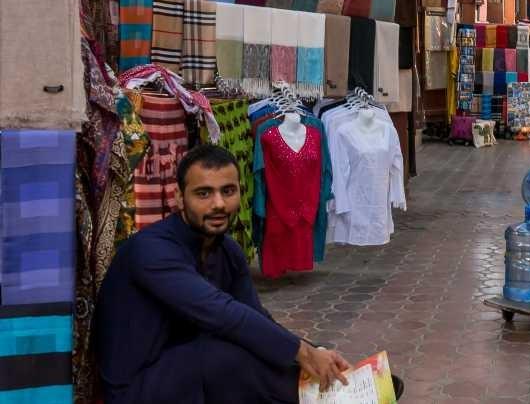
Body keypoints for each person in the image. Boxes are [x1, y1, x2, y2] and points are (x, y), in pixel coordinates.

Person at [94, 144, 384, 404]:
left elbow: (256, 318)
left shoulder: (227, 250)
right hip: (138, 387)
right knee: (225, 354)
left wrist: (315, 352)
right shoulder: (151, 250)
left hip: (189, 369)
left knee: (260, 344)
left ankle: (331, 386)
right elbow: (221, 313)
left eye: (228, 191)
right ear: (179, 198)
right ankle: (325, 397)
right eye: (204, 193)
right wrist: (304, 354)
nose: (219, 204)